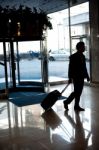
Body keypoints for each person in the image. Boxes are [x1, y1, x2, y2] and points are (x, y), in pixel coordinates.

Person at [63, 41, 90, 111]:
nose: (84, 48)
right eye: (83, 46)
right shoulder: (73, 57)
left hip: (81, 77)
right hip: (76, 77)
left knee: (79, 92)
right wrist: (70, 78)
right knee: (77, 92)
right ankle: (67, 102)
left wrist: (87, 76)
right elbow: (70, 68)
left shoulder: (83, 56)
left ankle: (75, 105)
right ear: (79, 48)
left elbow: (84, 67)